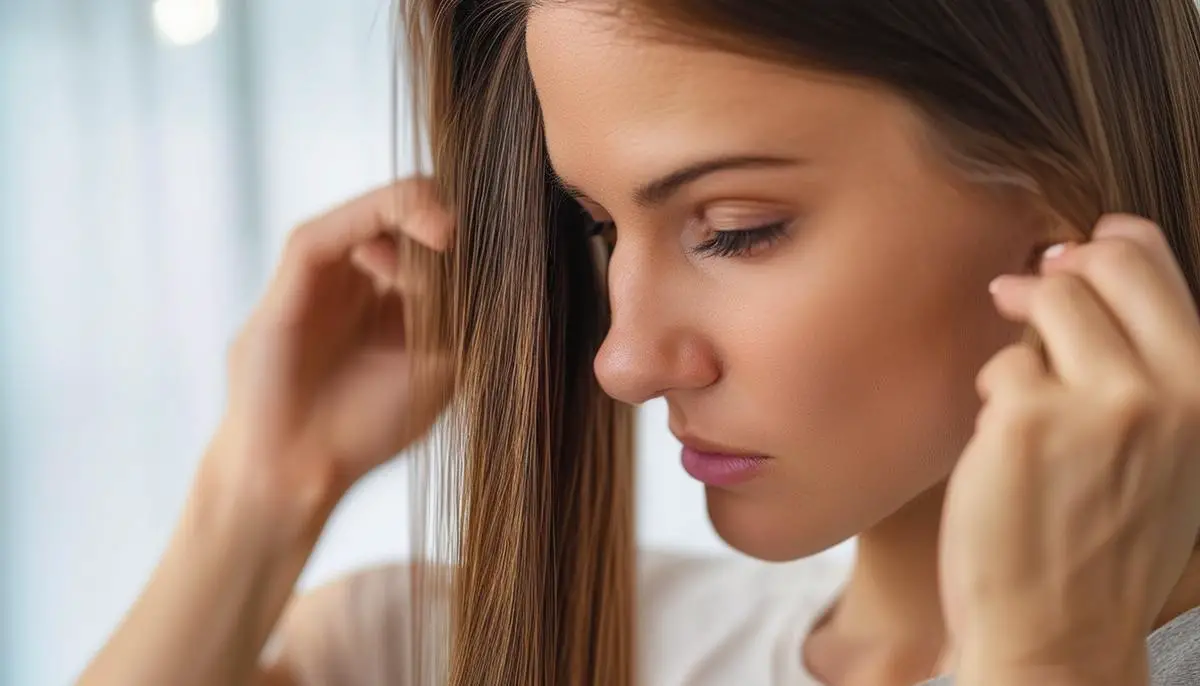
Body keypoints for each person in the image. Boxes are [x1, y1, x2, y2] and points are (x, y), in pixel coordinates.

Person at [77, 1, 1200, 685]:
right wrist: (260, 492)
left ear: (1072, 209)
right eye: (601, 227)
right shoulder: (431, 647)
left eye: (734, 230)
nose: (622, 359)